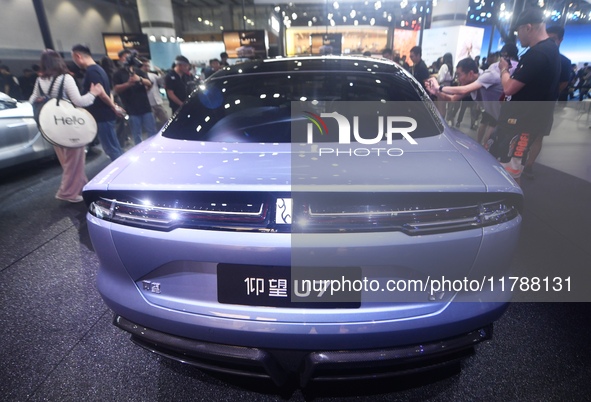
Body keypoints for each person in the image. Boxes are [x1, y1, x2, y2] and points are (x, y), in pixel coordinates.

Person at [29, 50, 108, 203]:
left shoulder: (40, 80)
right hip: (69, 124)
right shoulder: (65, 78)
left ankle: (80, 187)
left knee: (67, 161)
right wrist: (93, 93)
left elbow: (32, 99)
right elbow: (80, 102)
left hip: (51, 124)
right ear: (59, 61)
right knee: (74, 160)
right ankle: (66, 193)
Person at [492, 7, 561, 184]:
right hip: (526, 122)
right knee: (511, 167)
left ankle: (509, 207)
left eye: (519, 31)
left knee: (509, 171)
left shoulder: (538, 54)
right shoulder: (551, 50)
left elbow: (509, 88)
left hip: (521, 123)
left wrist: (504, 69)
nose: (518, 36)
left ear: (528, 27)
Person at [427, 46, 519, 148]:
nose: (458, 78)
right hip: (503, 120)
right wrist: (435, 92)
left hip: (515, 119)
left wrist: (439, 87)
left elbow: (464, 90)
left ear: (470, 73)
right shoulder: (473, 83)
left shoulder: (487, 76)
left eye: (459, 75)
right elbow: (453, 99)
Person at [71, 44, 125, 161]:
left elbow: (101, 93)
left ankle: (122, 173)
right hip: (104, 115)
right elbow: (108, 92)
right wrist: (113, 106)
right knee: (113, 146)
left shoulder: (92, 72)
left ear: (78, 56)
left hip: (102, 116)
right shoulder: (99, 70)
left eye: (73, 58)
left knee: (111, 148)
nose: (74, 61)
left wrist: (113, 107)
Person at [140, 57, 169, 130]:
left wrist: (160, 72)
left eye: (148, 65)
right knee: (151, 125)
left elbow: (162, 81)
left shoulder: (152, 75)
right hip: (148, 104)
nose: (146, 67)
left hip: (157, 102)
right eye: (145, 65)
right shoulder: (138, 77)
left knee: (166, 121)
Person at [546, 25, 571, 106]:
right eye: (546, 39)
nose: (548, 42)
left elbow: (564, 82)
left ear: (560, 40)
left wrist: (551, 94)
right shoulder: (534, 56)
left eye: (553, 39)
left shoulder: (564, 61)